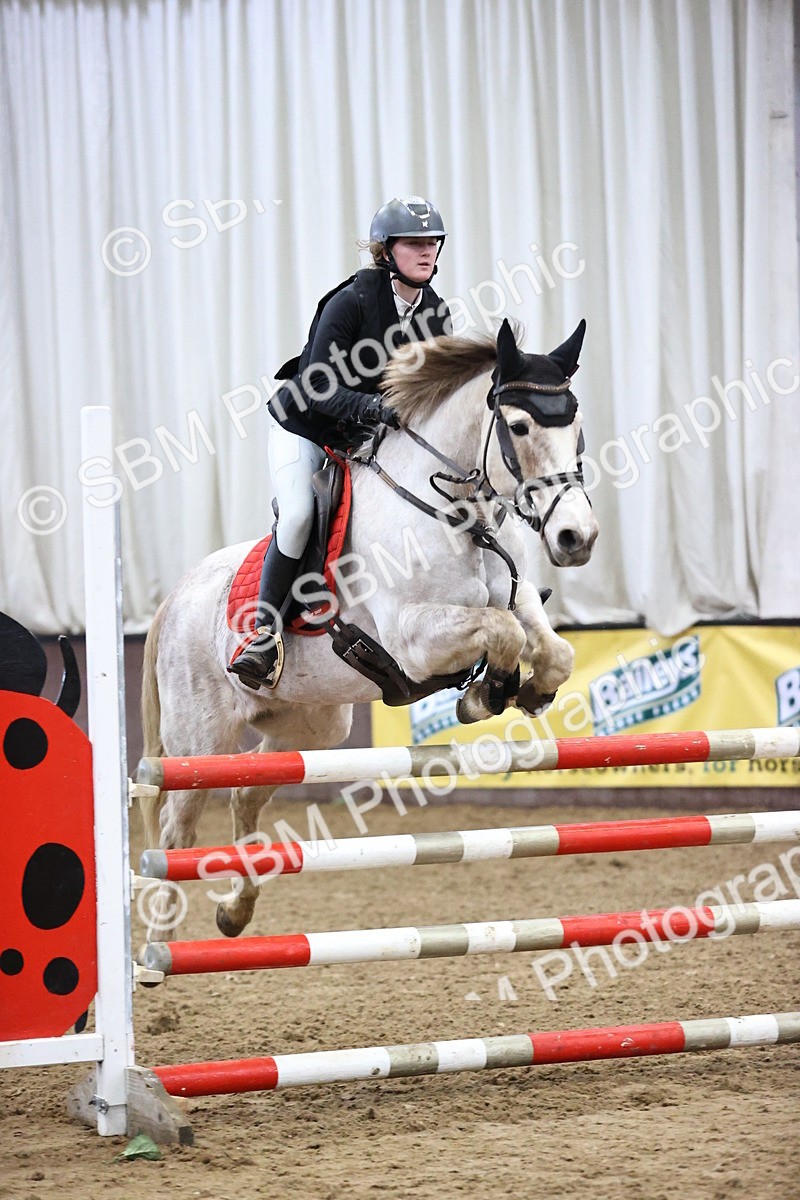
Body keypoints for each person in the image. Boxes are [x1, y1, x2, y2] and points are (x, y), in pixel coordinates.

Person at [228, 196, 453, 690]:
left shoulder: (436, 315)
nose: (426, 252)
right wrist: (374, 409)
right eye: (414, 243)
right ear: (386, 251)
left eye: (432, 243)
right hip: (304, 427)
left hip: (365, 440)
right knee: (299, 514)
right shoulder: (351, 302)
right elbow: (317, 385)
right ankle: (262, 633)